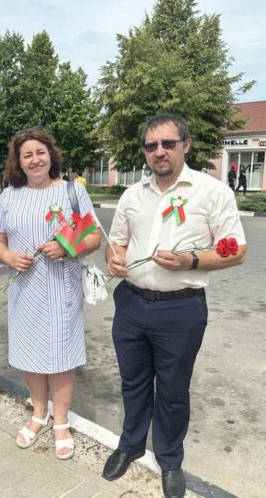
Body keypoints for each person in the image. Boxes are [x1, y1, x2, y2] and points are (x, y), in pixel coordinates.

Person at [103, 114, 246, 498]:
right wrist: (113, 258)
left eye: (167, 143)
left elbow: (236, 250)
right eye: (151, 146)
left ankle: (169, 458)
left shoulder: (212, 192)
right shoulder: (133, 194)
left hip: (180, 310)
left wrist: (190, 261)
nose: (159, 152)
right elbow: (115, 241)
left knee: (172, 389)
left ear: (187, 144)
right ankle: (131, 444)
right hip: (131, 304)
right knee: (133, 383)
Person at [0, 128, 101, 460]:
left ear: (51, 155)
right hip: (24, 289)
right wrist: (8, 257)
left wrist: (67, 246)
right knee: (31, 354)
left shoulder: (71, 192)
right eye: (27, 155)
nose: (35, 159)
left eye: (41, 152)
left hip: (60, 289)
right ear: (18, 162)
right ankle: (39, 413)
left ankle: (62, 420)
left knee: (61, 356)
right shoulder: (8, 196)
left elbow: (93, 237)